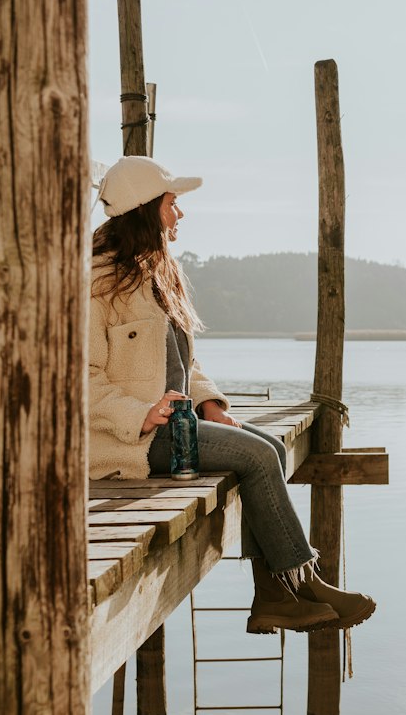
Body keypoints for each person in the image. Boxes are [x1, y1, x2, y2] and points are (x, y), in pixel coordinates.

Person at [88, 155, 375, 634]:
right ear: (146, 207)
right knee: (259, 458)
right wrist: (143, 412)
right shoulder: (97, 281)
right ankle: (304, 582)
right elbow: (79, 377)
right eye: (172, 202)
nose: (180, 213)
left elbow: (183, 364)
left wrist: (211, 405)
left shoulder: (158, 273)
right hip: (129, 441)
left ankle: (272, 594)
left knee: (274, 448)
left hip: (176, 428)